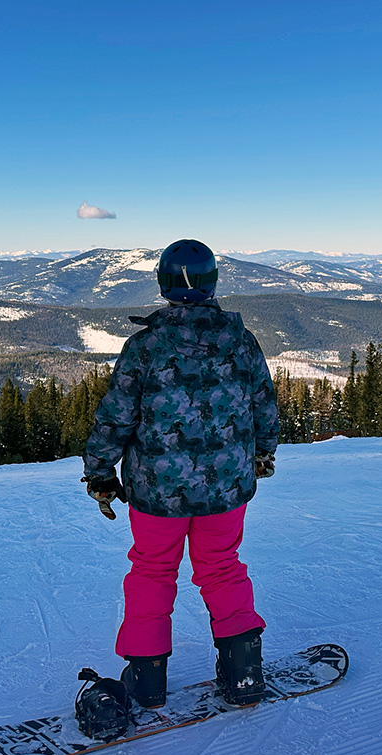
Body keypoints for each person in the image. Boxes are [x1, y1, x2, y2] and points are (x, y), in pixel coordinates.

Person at [82, 239, 279, 709]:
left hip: (157, 492)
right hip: (226, 490)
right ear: (211, 283)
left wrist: (100, 472)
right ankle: (244, 671)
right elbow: (263, 406)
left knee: (152, 572)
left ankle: (147, 679)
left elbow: (116, 416)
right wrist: (263, 453)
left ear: (163, 284)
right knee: (222, 568)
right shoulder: (240, 340)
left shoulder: (145, 346)